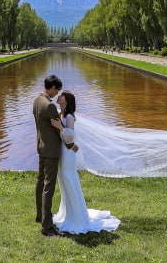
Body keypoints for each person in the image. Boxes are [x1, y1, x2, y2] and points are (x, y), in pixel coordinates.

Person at [50, 92, 120, 234]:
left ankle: (77, 217)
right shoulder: (60, 114)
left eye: (62, 95)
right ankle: (67, 213)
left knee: (69, 178)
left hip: (68, 155)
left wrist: (60, 128)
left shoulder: (69, 117)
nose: (59, 96)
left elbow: (71, 137)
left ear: (67, 101)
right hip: (63, 152)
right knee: (63, 180)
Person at [33, 74, 64, 237]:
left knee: (40, 181)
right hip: (51, 149)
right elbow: (58, 128)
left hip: (41, 145)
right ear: (52, 87)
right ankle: (47, 227)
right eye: (56, 90)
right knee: (48, 186)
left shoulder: (37, 101)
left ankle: (40, 215)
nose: (56, 93)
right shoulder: (50, 106)